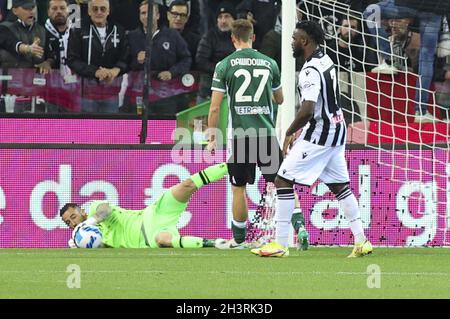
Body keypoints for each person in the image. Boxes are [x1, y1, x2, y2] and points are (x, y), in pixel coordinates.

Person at [254, 21, 373, 258]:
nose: (291, 43)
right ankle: (362, 241)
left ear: (305, 41)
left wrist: (289, 132)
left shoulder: (309, 71)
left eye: (294, 38)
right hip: (338, 129)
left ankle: (280, 243)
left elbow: (308, 108)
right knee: (340, 186)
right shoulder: (326, 59)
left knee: (283, 179)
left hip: (321, 133)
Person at [207, 19, 309, 250]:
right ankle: (300, 226)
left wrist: (212, 137)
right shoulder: (269, 63)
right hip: (265, 134)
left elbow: (214, 107)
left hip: (241, 136)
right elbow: (280, 99)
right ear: (253, 37)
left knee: (238, 187)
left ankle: (240, 238)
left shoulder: (224, 65)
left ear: (233, 38)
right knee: (282, 183)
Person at [61, 163, 229, 249]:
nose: (73, 223)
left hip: (153, 213)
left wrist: (88, 223)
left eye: (73, 217)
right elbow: (104, 246)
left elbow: (107, 210)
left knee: (187, 185)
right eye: (69, 223)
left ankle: (233, 165)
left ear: (81, 210)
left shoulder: (92, 210)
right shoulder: (91, 238)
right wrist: (82, 243)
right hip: (147, 238)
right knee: (164, 240)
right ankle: (218, 244)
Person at [363, 0, 443, 123]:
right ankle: (420, 111)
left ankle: (388, 59)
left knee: (371, 11)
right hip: (434, 10)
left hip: (409, 6)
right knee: (426, 58)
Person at [67, 0, 129, 113]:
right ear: (89, 11)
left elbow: (126, 57)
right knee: (87, 129)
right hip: (86, 93)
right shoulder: (78, 30)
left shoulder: (119, 30)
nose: (99, 12)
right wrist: (95, 72)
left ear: (108, 11)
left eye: (103, 9)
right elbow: (72, 60)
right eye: (95, 9)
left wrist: (115, 70)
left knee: (109, 129)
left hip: (111, 93)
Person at [195, 1, 235, 103]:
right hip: (209, 87)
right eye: (220, 17)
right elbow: (200, 61)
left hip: (234, 86)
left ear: (234, 19)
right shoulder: (209, 37)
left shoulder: (239, 37)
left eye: (227, 17)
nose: (223, 20)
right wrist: (221, 71)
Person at [166, 0, 200, 66]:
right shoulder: (158, 37)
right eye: (175, 14)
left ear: (187, 19)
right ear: (168, 15)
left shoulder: (195, 41)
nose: (178, 18)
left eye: (182, 15)